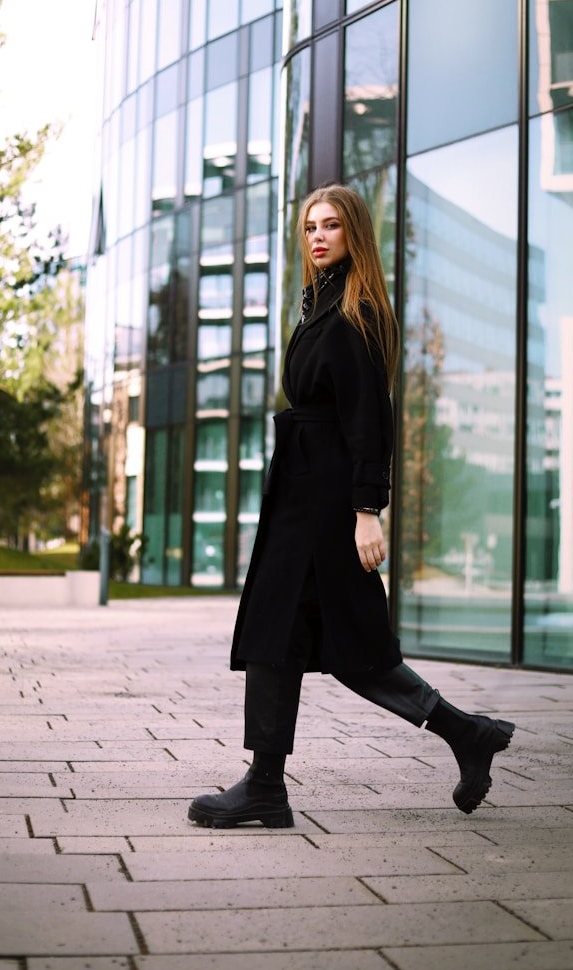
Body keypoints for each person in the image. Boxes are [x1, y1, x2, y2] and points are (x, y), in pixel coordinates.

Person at [188, 184, 514, 829]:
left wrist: (368, 510)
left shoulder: (354, 314)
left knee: (344, 642)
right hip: (301, 496)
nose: (318, 236)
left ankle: (462, 734)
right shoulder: (320, 305)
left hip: (327, 506)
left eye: (331, 225)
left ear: (354, 233)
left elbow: (371, 421)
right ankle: (270, 783)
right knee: (288, 636)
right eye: (310, 226)